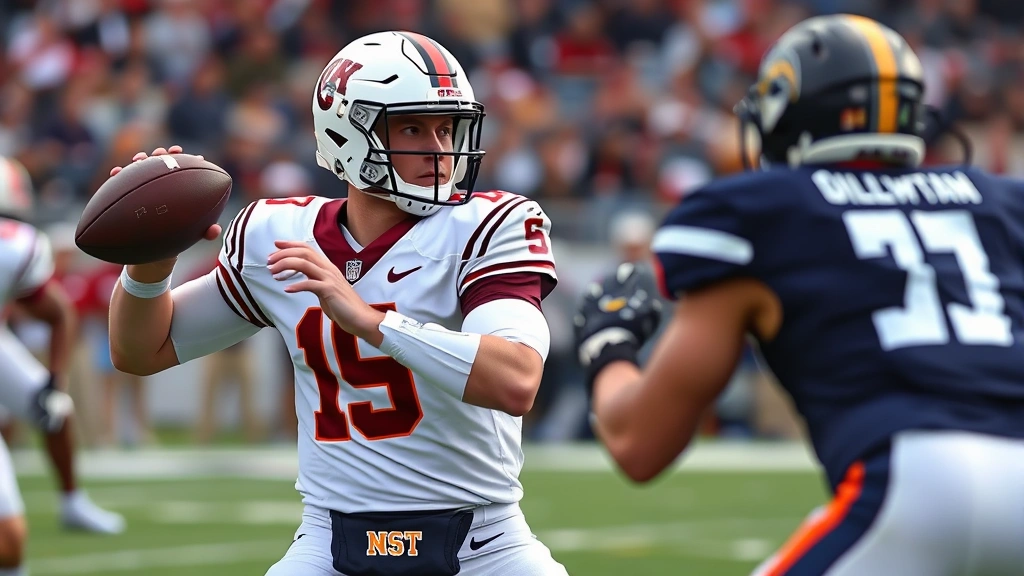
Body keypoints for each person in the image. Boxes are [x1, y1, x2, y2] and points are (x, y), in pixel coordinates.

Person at [575, 14, 1024, 576]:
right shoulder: (1003, 203)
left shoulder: (762, 211)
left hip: (914, 482)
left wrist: (608, 346)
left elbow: (641, 443)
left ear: (790, 114)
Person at [108, 31, 567, 576]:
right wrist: (148, 268)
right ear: (349, 131)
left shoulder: (490, 225)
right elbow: (142, 350)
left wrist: (371, 322)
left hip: (483, 544)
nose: (441, 150)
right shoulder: (278, 233)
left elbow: (516, 381)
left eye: (447, 128)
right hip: (330, 542)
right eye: (413, 127)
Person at [0, 156, 125, 538]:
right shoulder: (15, 244)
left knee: (56, 407)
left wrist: (56, 380)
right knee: (9, 539)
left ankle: (72, 501)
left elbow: (59, 314)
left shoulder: (14, 247)